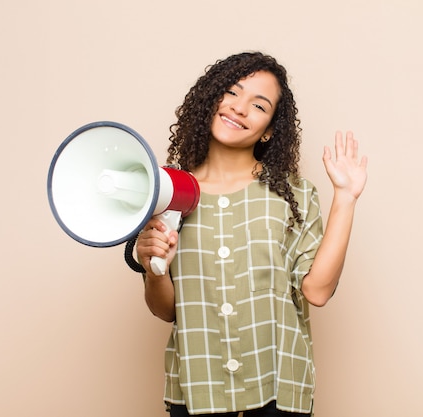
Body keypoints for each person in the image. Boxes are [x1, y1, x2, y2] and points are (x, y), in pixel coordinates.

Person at [135, 51, 368, 416]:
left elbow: (317, 291)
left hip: (279, 389)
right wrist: (153, 267)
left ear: (271, 128)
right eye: (231, 92)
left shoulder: (293, 196)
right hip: (198, 388)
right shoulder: (169, 193)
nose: (239, 108)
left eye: (258, 105)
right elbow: (166, 310)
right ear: (211, 99)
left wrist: (346, 197)